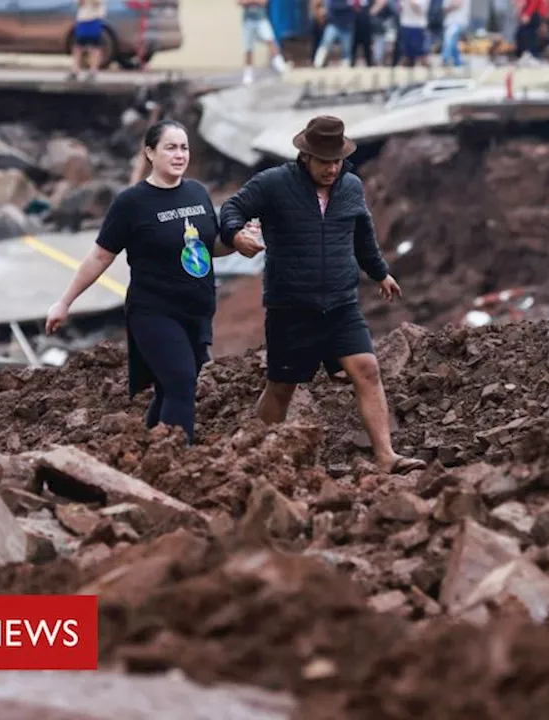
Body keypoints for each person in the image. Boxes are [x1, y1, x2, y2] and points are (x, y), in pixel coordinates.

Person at [218, 116, 427, 475]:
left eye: (337, 161)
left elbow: (363, 235)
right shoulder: (273, 183)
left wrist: (380, 272)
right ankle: (254, 456)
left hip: (341, 305)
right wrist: (237, 236)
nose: (331, 168)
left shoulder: (351, 187)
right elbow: (231, 210)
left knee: (368, 369)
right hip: (291, 306)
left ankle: (386, 456)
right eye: (324, 161)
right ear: (305, 157)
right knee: (282, 387)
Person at [46, 120, 233, 445]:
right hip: (155, 311)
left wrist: (239, 242)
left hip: (197, 310)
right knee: (181, 383)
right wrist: (65, 302)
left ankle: (148, 456)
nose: (179, 155)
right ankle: (178, 460)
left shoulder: (197, 193)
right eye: (170, 147)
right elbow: (100, 257)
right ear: (150, 152)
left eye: (184, 147)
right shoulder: (132, 203)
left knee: (168, 388)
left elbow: (208, 246)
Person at [241, 0, 290, 84]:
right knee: (248, 47)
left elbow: (264, 2)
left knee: (270, 39)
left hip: (261, 19)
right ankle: (248, 73)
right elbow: (241, 2)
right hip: (247, 20)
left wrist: (249, 2)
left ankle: (278, 63)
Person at [69, 0, 107, 81]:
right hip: (83, 19)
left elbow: (98, 2)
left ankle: (93, 71)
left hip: (94, 18)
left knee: (94, 46)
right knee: (78, 46)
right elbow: (78, 4)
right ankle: (75, 70)